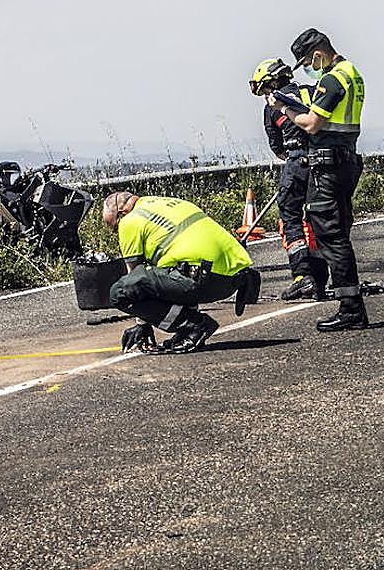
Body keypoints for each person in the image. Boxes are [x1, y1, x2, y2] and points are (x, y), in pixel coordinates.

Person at [266, 28, 367, 331]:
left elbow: (312, 123)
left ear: (319, 54)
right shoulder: (353, 74)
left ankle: (351, 309)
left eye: (309, 62)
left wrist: (283, 107)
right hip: (346, 160)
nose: (309, 68)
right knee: (338, 231)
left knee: (330, 235)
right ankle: (349, 304)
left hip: (329, 166)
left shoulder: (333, 78)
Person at [103, 192, 261, 354]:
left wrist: (142, 324)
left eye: (114, 227)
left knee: (120, 292)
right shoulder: (171, 202)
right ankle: (189, 325)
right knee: (162, 275)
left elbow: (134, 280)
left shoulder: (129, 221)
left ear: (122, 214)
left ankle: (194, 326)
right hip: (234, 277)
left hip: (202, 279)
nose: (116, 233)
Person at [249, 57, 328, 302]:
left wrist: (294, 158)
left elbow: (277, 148)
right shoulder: (312, 92)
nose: (265, 95)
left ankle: (302, 276)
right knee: (318, 217)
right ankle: (321, 279)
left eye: (265, 89)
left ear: (273, 83)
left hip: (297, 163)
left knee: (290, 216)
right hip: (324, 162)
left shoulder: (274, 105)